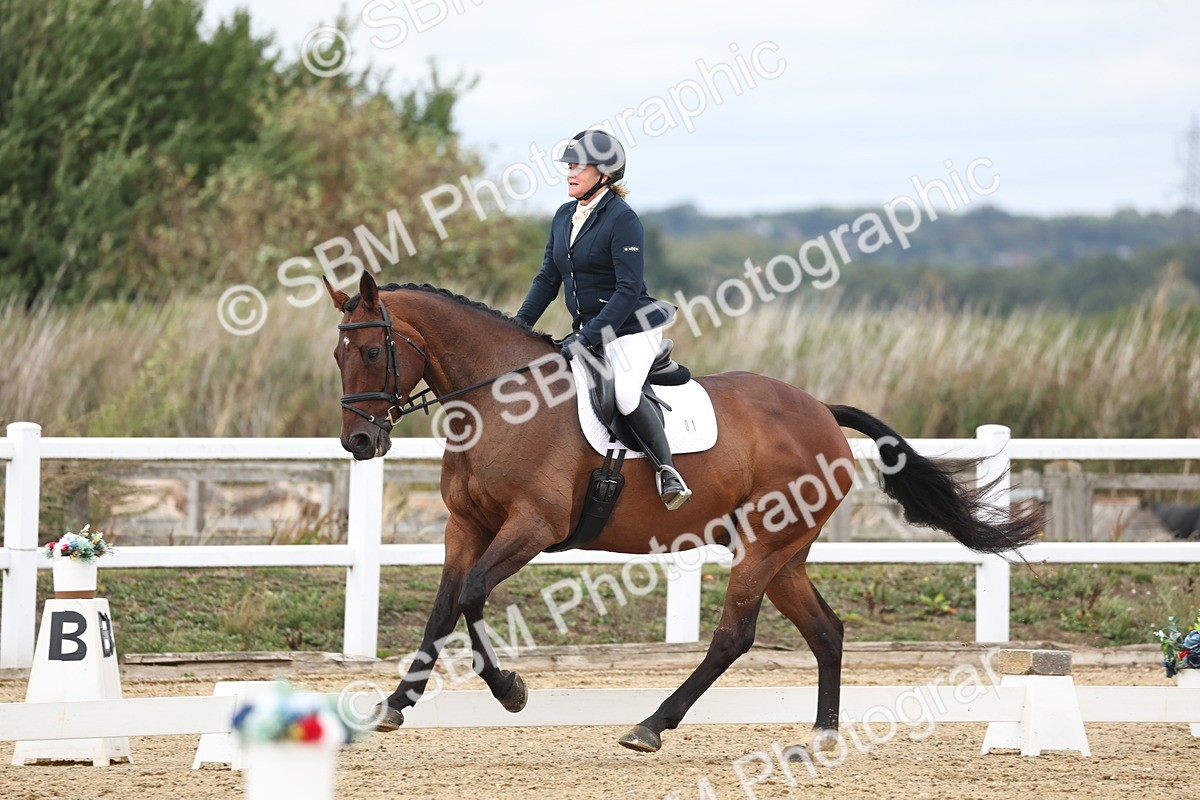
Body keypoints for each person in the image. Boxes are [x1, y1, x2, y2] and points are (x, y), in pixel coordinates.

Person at [516, 129, 692, 510]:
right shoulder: (564, 216)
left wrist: (590, 336)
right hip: (590, 331)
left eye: (579, 165)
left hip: (631, 328)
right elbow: (548, 278)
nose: (570, 171)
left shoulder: (623, 220)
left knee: (626, 393)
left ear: (605, 173)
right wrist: (516, 326)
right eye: (569, 165)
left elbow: (627, 291)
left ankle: (668, 471)